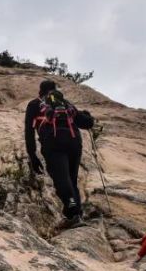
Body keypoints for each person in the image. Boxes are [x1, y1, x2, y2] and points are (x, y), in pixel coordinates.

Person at [25, 79, 94, 227]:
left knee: (62, 179)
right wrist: (88, 115)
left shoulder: (34, 104)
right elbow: (86, 123)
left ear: (40, 91)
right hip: (75, 143)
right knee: (71, 179)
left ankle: (72, 213)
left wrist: (33, 155)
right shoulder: (65, 103)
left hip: (54, 143)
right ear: (55, 89)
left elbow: (28, 132)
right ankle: (76, 213)